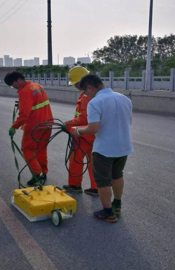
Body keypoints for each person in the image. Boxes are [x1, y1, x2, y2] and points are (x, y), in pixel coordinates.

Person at [71, 74, 133, 223]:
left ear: (91, 87)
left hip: (104, 149)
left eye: (85, 92)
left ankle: (108, 213)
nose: (85, 95)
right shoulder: (125, 99)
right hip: (123, 146)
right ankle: (117, 205)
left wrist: (78, 131)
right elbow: (128, 122)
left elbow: (93, 129)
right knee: (117, 175)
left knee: (103, 181)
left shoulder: (95, 102)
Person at [4, 71, 53, 186]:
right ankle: (43, 173)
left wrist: (14, 127)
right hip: (47, 123)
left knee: (27, 149)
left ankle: (36, 174)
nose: (14, 87)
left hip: (34, 126)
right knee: (41, 149)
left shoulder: (24, 91)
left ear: (18, 80)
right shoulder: (37, 86)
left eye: (13, 84)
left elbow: (24, 114)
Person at [62, 66, 99, 196]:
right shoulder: (93, 93)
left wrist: (68, 125)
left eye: (75, 83)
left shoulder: (86, 96)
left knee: (76, 159)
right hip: (94, 134)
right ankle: (96, 188)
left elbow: (83, 117)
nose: (75, 86)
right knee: (93, 162)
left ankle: (75, 185)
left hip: (83, 134)